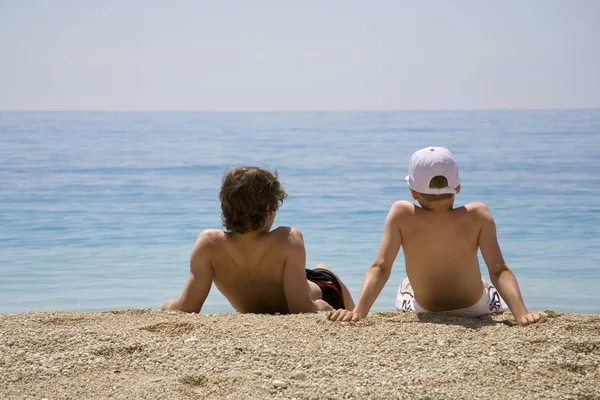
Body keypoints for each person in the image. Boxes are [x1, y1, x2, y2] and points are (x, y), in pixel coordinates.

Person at [327, 147, 544, 327]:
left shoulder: (401, 213)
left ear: (413, 191)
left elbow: (380, 267)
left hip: (425, 308)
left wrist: (359, 312)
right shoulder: (479, 214)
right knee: (485, 281)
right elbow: (498, 269)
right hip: (477, 306)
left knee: (406, 283)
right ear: (457, 187)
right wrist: (521, 314)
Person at [162, 166, 354, 314]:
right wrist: (320, 307)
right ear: (268, 208)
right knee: (325, 271)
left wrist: (168, 305)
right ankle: (357, 313)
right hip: (323, 290)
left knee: (317, 270)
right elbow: (301, 308)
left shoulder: (208, 244)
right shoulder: (288, 238)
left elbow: (186, 308)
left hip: (300, 281)